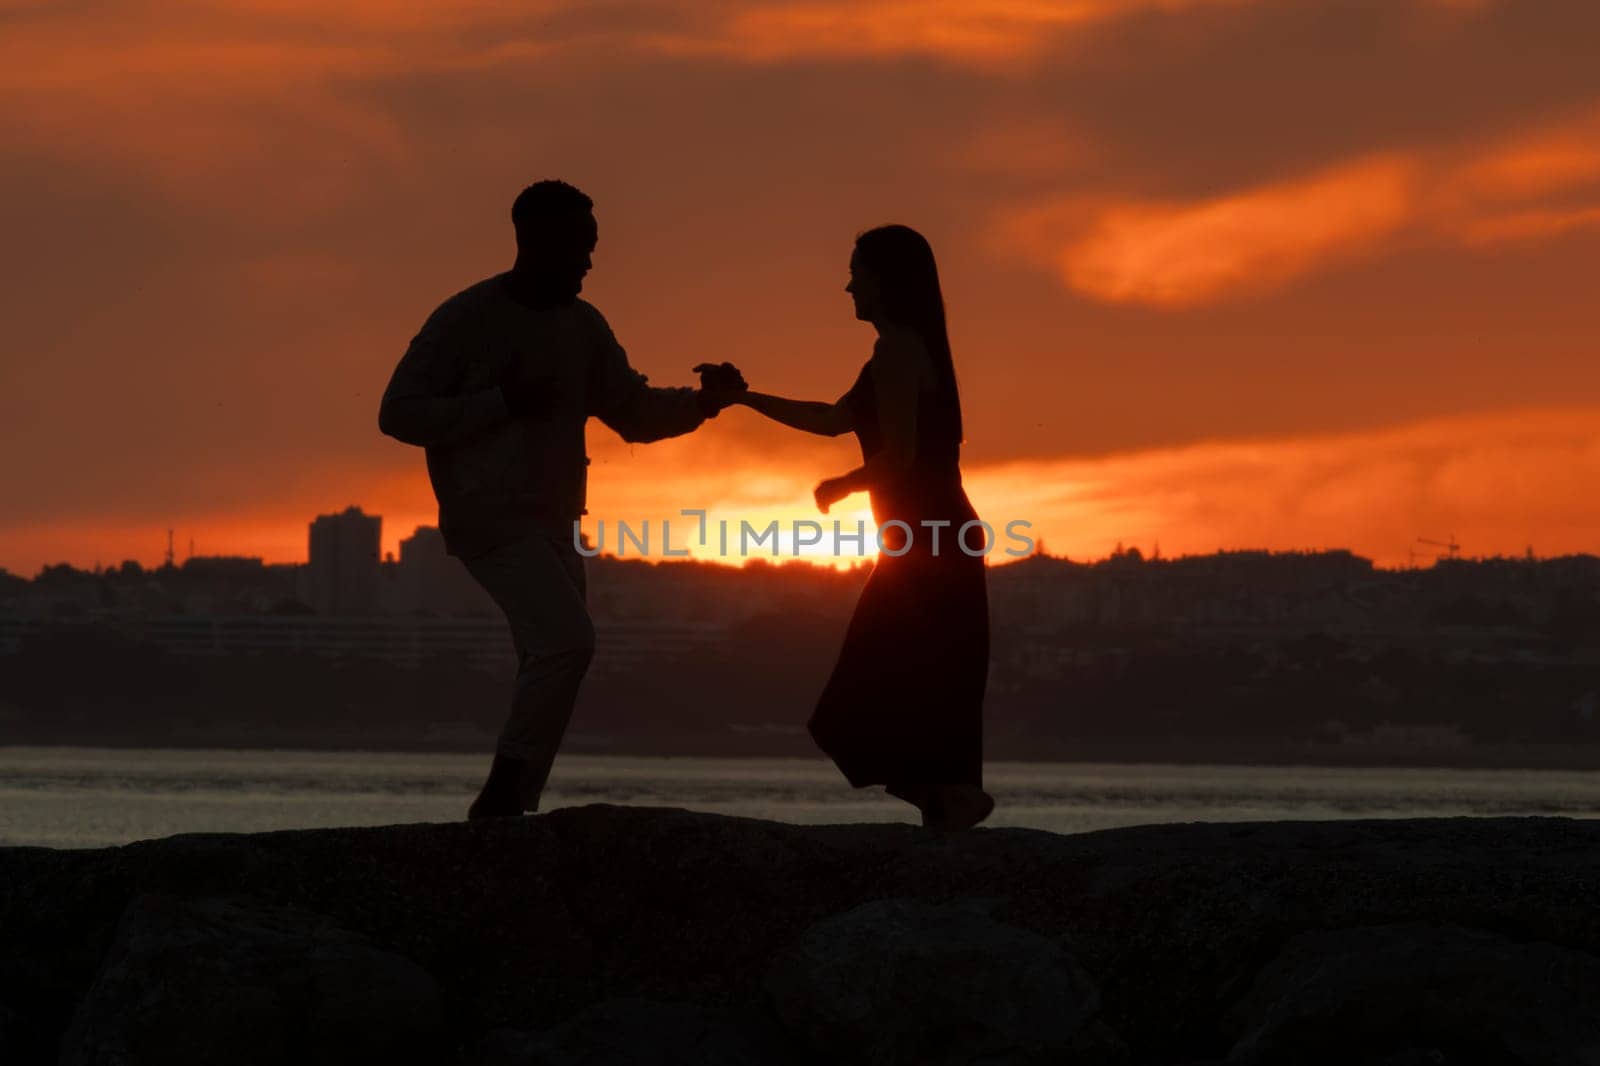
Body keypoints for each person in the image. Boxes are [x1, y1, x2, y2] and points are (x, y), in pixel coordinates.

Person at [378, 179, 746, 820]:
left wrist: (705, 405)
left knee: (551, 658)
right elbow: (399, 413)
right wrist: (500, 403)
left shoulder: (584, 327)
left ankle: (511, 804)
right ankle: (504, 798)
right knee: (567, 643)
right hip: (487, 519)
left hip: (556, 524)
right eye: (581, 246)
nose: (589, 261)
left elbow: (631, 411)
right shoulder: (465, 319)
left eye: (592, 247)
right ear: (537, 242)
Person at [710, 224, 993, 831]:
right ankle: (948, 801)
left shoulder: (898, 351)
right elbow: (832, 418)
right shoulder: (901, 349)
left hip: (929, 540)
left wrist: (842, 485)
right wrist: (743, 398)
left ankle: (949, 800)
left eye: (855, 273)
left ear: (884, 281)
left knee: (864, 695)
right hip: (929, 540)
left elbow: (901, 456)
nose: (847, 286)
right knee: (914, 682)